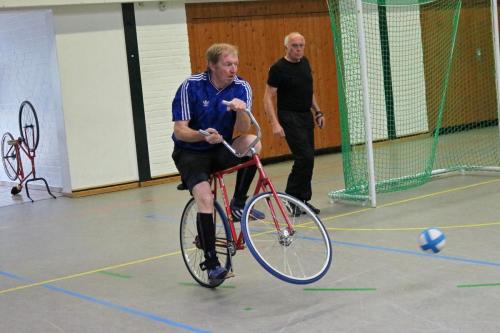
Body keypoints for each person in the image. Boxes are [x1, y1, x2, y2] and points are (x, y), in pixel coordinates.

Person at [171, 43, 261, 284]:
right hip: (191, 151)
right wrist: (202, 135)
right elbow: (180, 131)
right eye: (227, 65)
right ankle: (211, 263)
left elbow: (242, 130)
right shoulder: (192, 86)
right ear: (212, 65)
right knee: (206, 199)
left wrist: (241, 112)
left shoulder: (241, 87)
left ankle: (238, 203)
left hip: (220, 146)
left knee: (253, 143)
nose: (233, 70)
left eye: (235, 65)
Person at [263, 32, 324, 215]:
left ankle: (302, 200)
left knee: (309, 158)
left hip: (305, 115)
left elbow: (309, 91)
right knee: (304, 156)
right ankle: (291, 197)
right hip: (289, 116)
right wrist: (275, 123)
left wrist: (317, 111)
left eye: (301, 45)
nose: (298, 49)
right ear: (287, 47)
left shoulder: (305, 63)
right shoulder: (278, 68)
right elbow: (267, 97)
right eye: (294, 46)